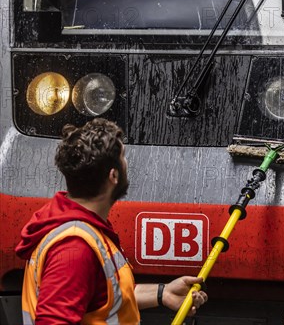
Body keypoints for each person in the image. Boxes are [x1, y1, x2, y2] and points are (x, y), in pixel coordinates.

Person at [16, 118, 208, 324]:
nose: (127, 164)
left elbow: (104, 297)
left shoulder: (80, 228)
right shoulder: (74, 247)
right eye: (124, 158)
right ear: (113, 175)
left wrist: (163, 293)